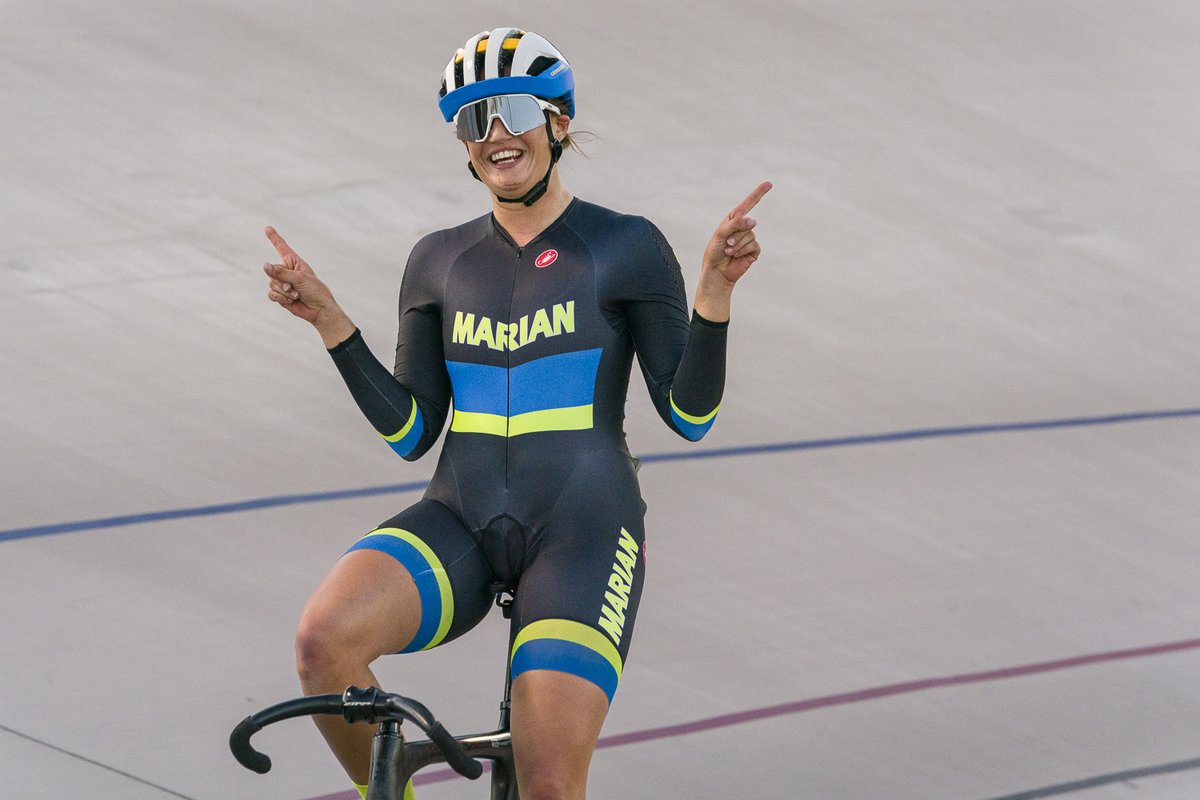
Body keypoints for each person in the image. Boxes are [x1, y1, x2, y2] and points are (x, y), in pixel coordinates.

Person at [261, 27, 770, 800]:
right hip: (458, 518)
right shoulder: (439, 259)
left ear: (557, 122)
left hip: (583, 531)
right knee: (321, 643)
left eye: (510, 111)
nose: (494, 134)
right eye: (472, 120)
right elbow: (411, 431)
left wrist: (714, 297)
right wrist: (334, 325)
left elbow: (688, 415)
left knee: (548, 784)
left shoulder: (625, 246)